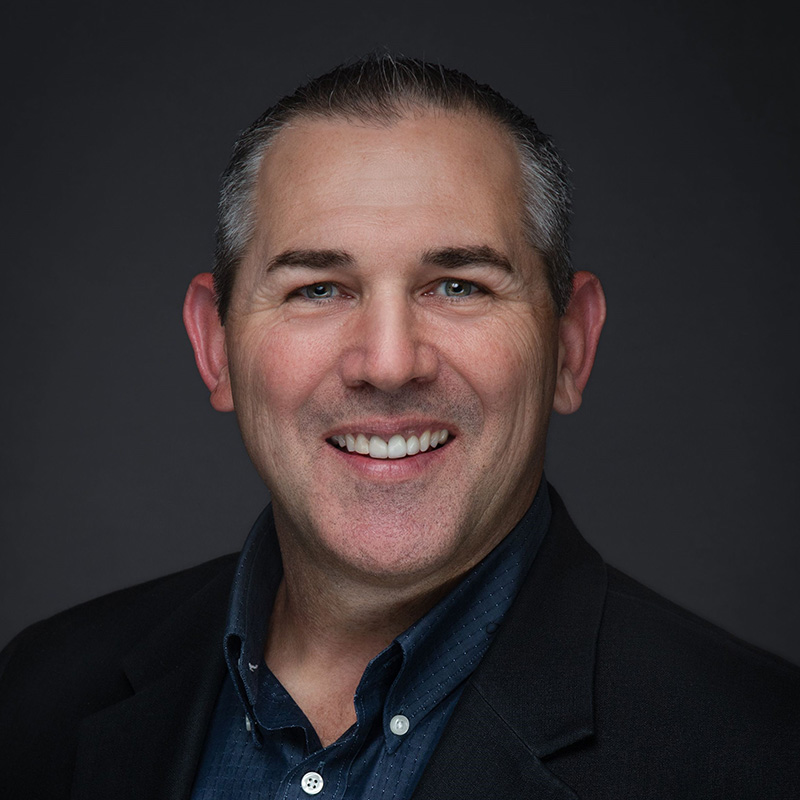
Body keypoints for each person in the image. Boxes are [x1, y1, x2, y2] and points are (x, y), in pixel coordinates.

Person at [1, 55, 798, 799]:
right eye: (318, 289)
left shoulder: (758, 752)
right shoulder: (41, 694)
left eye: (458, 285)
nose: (388, 363)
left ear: (570, 346)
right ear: (215, 347)